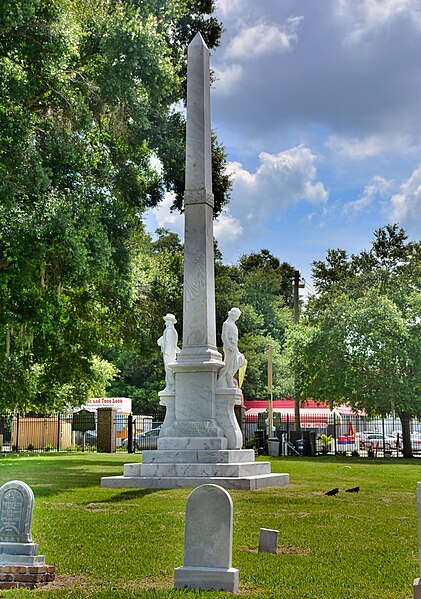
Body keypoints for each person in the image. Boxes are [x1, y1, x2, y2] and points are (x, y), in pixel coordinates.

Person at [217, 307, 245, 388]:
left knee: (236, 364)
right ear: (232, 314)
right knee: (227, 365)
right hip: (229, 348)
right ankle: (223, 381)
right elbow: (224, 336)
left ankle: (229, 379)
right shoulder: (226, 323)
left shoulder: (233, 324)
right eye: (237, 315)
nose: (238, 318)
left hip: (234, 348)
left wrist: (235, 348)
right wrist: (229, 346)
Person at [157, 314, 180, 391]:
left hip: (169, 352)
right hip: (170, 352)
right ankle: (169, 385)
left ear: (170, 322)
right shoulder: (170, 330)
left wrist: (166, 353)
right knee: (168, 368)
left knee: (168, 368)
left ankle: (171, 385)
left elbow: (169, 343)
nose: (165, 323)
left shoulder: (170, 331)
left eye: (166, 321)